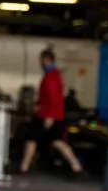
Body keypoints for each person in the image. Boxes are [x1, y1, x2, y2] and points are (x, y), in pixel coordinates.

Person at [19, 49, 84, 177]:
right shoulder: (54, 75)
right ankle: (76, 167)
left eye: (41, 60)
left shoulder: (51, 76)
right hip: (51, 114)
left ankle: (24, 168)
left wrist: (50, 116)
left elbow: (54, 97)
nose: (40, 63)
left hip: (47, 115)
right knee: (56, 141)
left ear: (46, 60)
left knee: (32, 138)